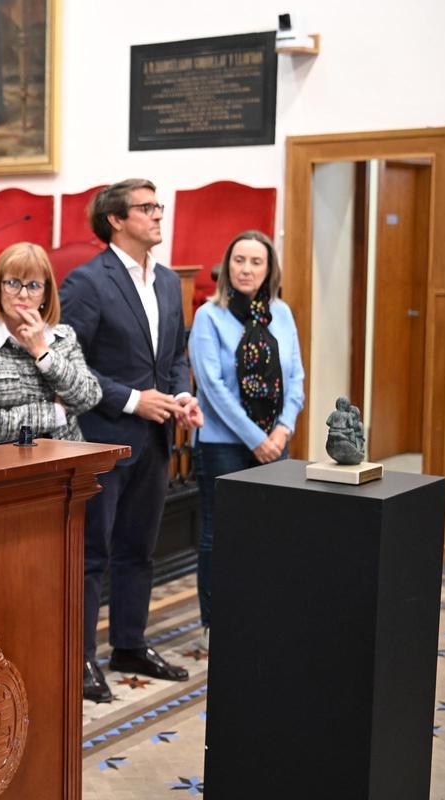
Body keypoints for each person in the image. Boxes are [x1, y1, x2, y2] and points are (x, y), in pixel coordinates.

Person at [58, 179, 203, 704]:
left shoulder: (166, 281)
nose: (158, 215)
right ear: (115, 220)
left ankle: (129, 645)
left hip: (156, 435)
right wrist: (131, 400)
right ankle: (79, 660)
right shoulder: (86, 282)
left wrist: (180, 396)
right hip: (105, 435)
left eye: (158, 206)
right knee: (92, 553)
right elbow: (72, 367)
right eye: (146, 208)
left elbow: (176, 352)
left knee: (138, 549)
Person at [190, 230, 305, 650]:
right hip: (224, 443)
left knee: (270, 532)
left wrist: (283, 429)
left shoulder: (282, 313)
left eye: (256, 262)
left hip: (276, 440)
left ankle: (264, 613)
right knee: (220, 535)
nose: (247, 269)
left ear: (269, 269)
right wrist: (256, 438)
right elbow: (212, 387)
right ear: (227, 265)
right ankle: (216, 624)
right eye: (239, 260)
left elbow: (296, 379)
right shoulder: (209, 316)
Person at [0, 242, 101, 443]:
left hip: (67, 462)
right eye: (13, 283)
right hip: (8, 467)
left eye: (34, 286)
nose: (23, 294)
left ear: (45, 294)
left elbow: (89, 398)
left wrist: (43, 352)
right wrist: (57, 412)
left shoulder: (64, 337)